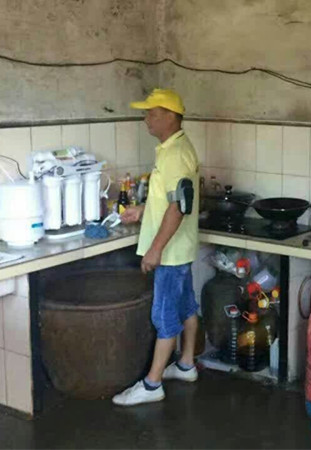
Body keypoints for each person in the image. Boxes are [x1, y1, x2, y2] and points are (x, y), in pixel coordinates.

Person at [112, 88, 200, 406]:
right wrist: (143, 210)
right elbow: (170, 198)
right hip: (180, 248)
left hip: (171, 252)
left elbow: (178, 207)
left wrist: (155, 249)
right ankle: (186, 364)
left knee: (164, 317)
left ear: (171, 116)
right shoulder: (173, 148)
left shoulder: (175, 154)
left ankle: (152, 385)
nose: (146, 119)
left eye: (152, 113)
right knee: (186, 307)